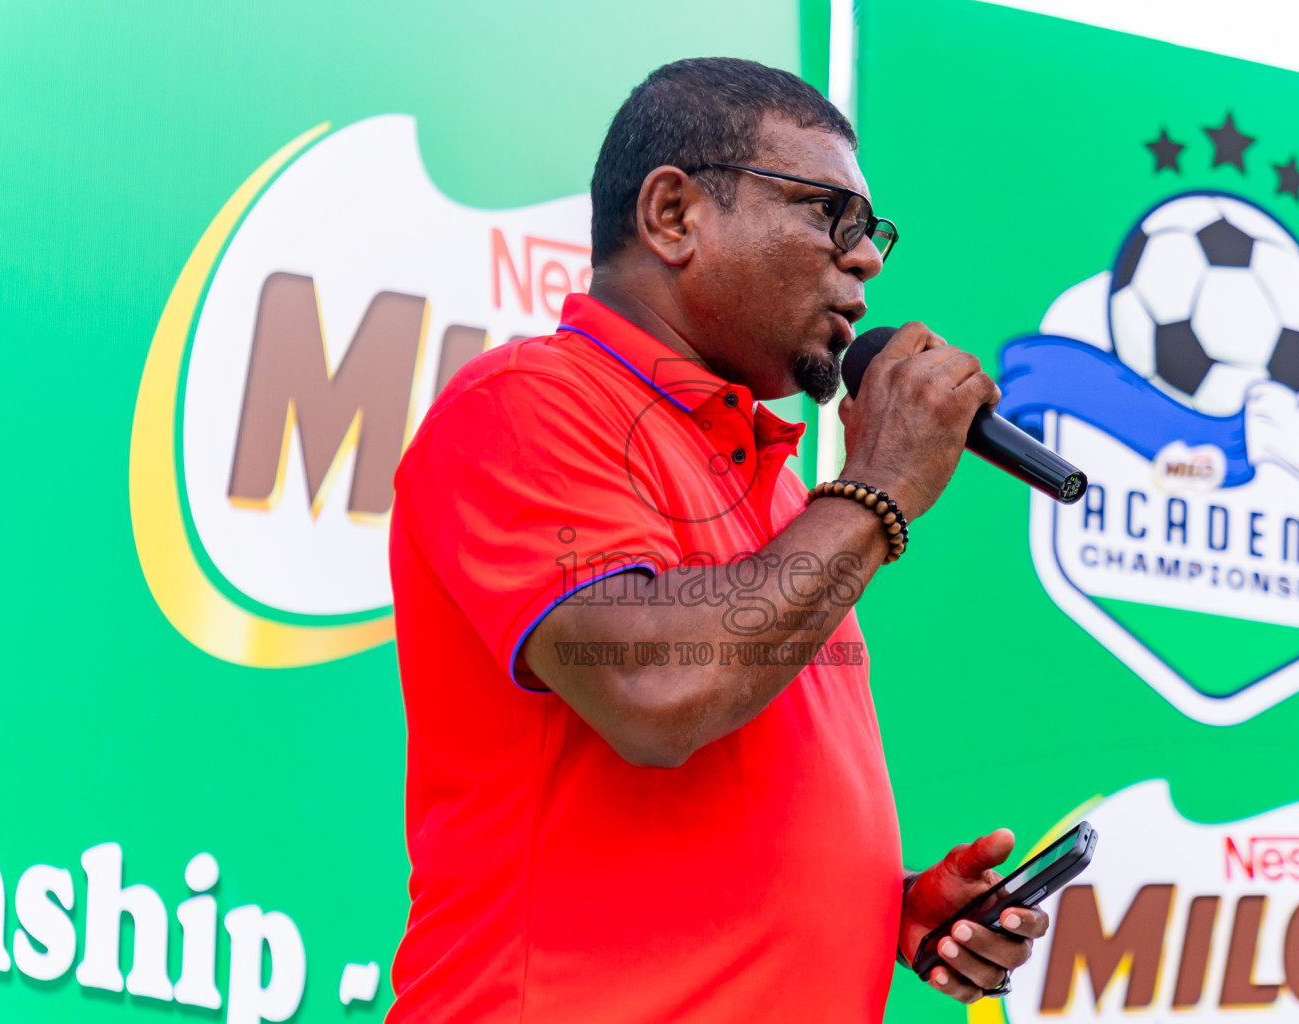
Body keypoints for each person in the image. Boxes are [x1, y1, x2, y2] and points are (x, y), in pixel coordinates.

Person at [386, 56, 1048, 1023]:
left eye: (872, 234)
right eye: (832, 215)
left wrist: (887, 905)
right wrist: (879, 487)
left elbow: (725, 798)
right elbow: (656, 691)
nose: (864, 258)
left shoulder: (782, 494)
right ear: (673, 216)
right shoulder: (527, 406)